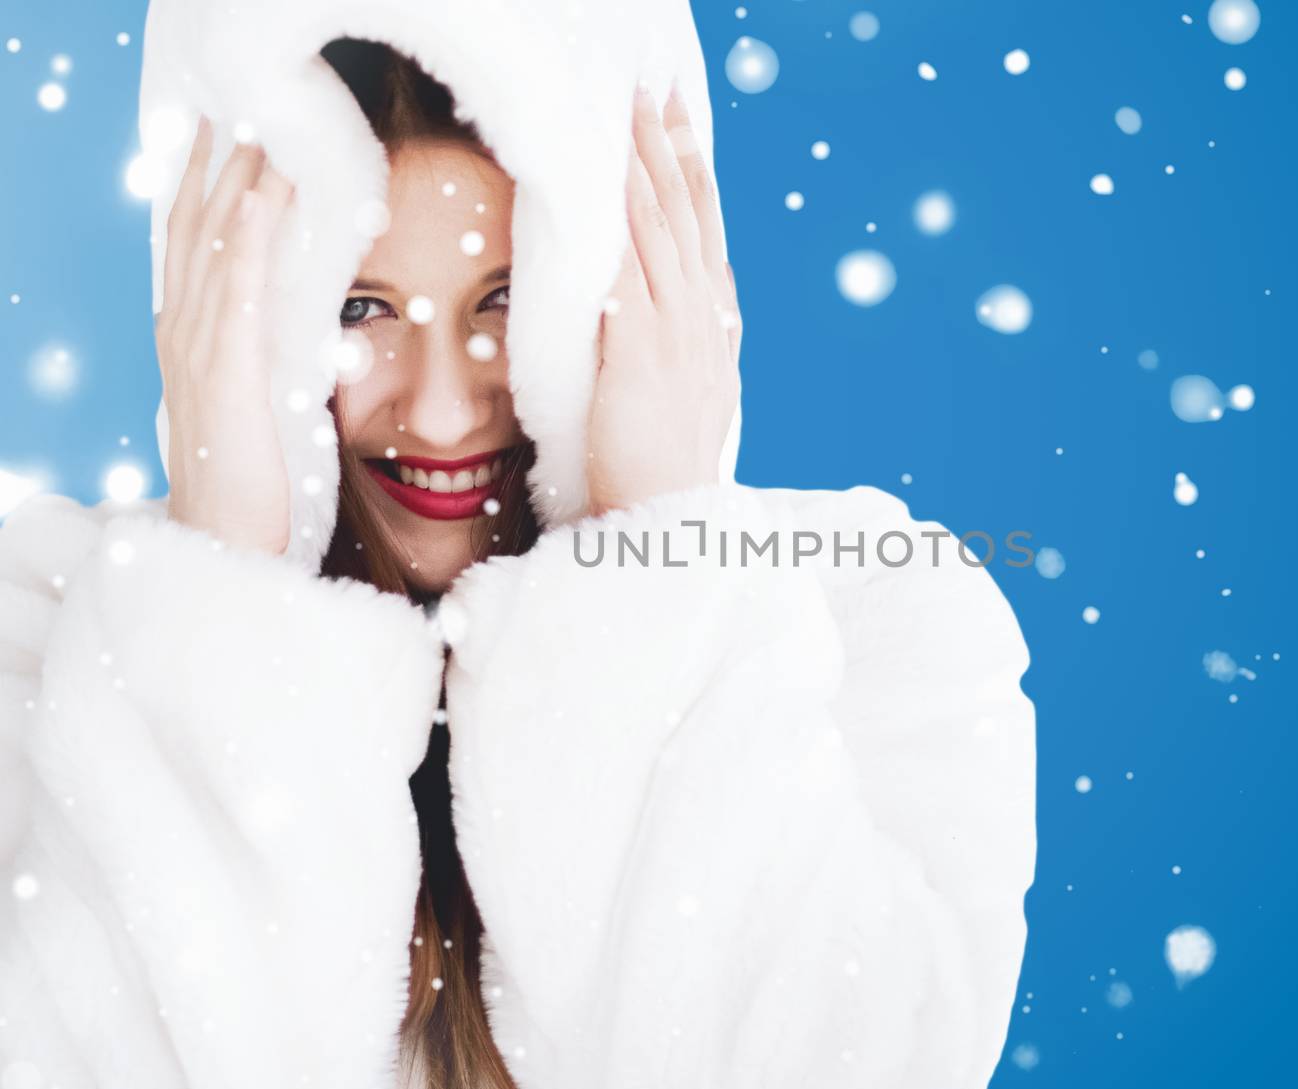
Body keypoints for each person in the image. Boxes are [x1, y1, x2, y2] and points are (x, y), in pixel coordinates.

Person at [0, 7, 1035, 1089]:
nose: (444, 414)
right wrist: (220, 601)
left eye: (506, 297)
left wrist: (661, 566)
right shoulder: (52, 635)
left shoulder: (871, 615)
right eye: (363, 306)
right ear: (248, 312)